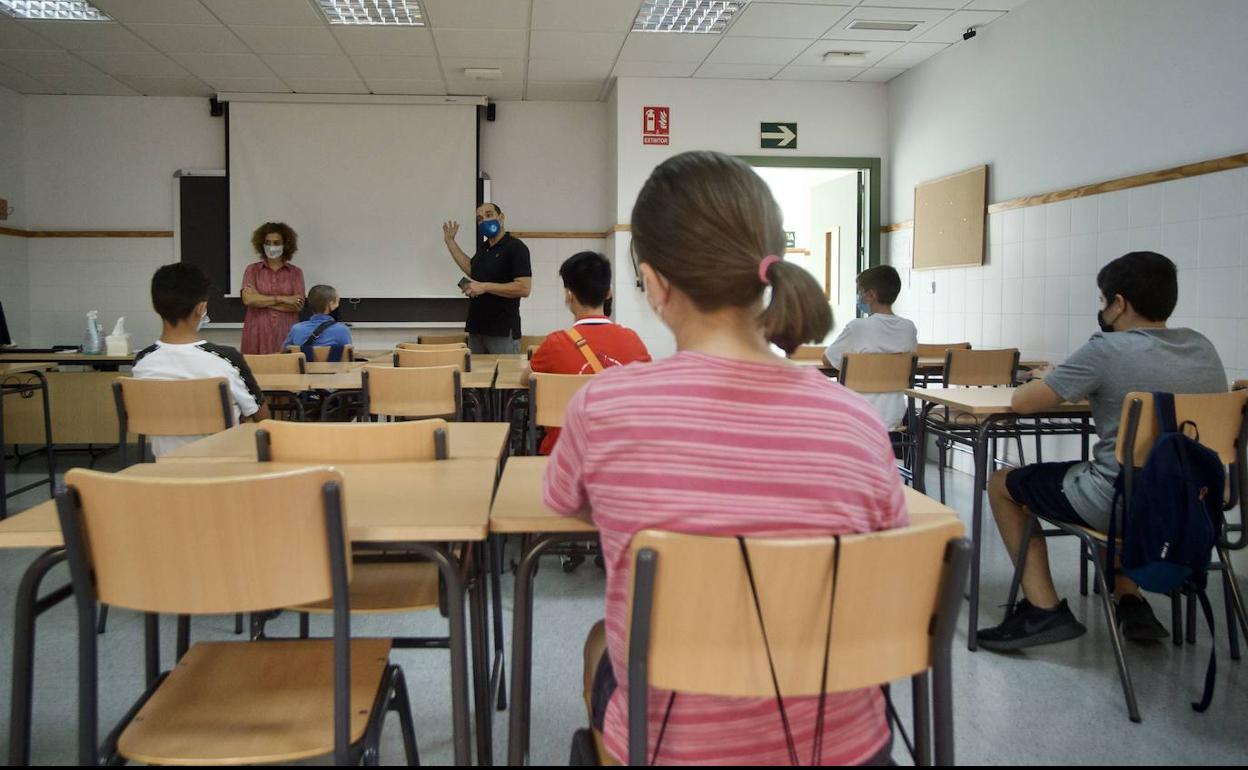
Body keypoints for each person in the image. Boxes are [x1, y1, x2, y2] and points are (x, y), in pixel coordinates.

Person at [544, 151, 906, 765]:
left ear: (654, 283)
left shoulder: (604, 408)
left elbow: (568, 507)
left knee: (600, 640)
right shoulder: (857, 421)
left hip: (677, 746)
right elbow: (886, 556)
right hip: (848, 747)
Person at [977, 251, 1227, 651]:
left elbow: (1023, 402)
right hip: (1193, 502)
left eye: (1103, 300)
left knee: (1002, 483)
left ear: (1120, 303)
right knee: (1127, 470)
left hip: (1121, 504)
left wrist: (1053, 378)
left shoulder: (1106, 350)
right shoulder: (1202, 347)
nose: (1103, 309)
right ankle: (1129, 598)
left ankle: (1043, 609)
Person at [133, 263, 268, 458]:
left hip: (166, 476)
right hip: (225, 476)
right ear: (201, 308)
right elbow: (263, 421)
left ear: (155, 306)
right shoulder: (227, 359)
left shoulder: (142, 363)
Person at [530, 251, 651, 455]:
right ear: (608, 293)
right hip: (621, 455)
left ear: (569, 294)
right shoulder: (633, 341)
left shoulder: (554, 344)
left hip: (564, 456)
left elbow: (530, 378)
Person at [822, 264, 918, 430]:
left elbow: (828, 359)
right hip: (894, 417)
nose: (858, 296)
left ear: (871, 295)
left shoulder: (857, 327)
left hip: (857, 416)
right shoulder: (909, 328)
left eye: (860, 291)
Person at [440, 202, 532, 354]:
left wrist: (484, 287)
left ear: (501, 217)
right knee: (475, 377)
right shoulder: (484, 248)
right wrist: (450, 243)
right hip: (476, 329)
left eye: (489, 215)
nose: (484, 221)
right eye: (480, 219)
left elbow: (524, 288)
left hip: (501, 332)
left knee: (503, 376)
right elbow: (472, 269)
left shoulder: (516, 247)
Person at [241, 222, 306, 354]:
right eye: (268, 242)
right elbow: (248, 300)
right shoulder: (252, 270)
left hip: (286, 331)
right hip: (257, 331)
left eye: (276, 243)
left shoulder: (296, 272)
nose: (272, 247)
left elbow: (297, 305)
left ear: (286, 245)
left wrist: (260, 300)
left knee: (288, 370)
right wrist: (284, 299)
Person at [282, 284, 352, 360]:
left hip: (304, 371)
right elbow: (348, 356)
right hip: (335, 371)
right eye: (337, 302)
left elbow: (284, 353)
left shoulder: (296, 329)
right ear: (331, 305)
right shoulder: (342, 330)